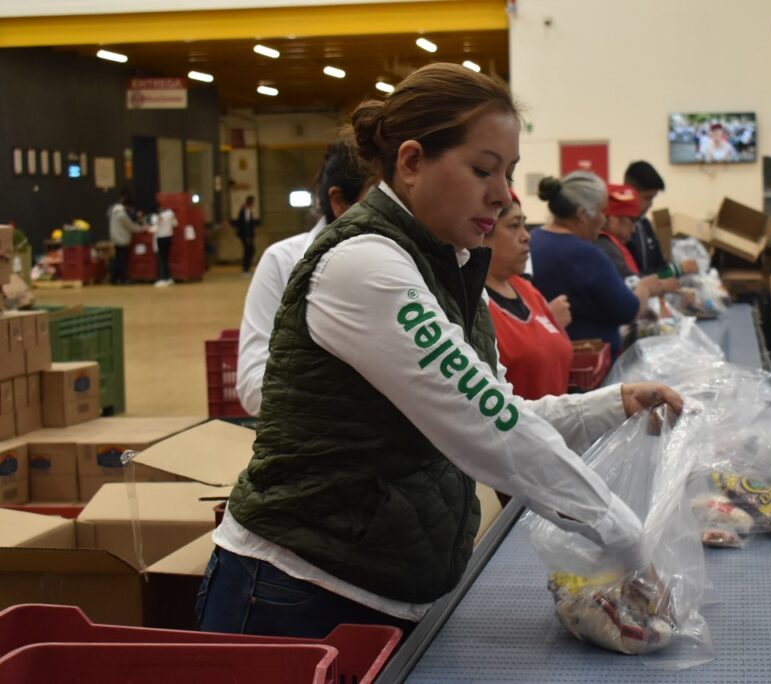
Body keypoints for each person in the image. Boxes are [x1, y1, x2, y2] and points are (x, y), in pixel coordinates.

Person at [197, 63, 682, 639]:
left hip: (380, 585)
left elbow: (500, 408)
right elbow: (487, 427)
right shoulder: (364, 266)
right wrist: (625, 537)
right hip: (296, 595)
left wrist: (611, 404)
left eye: (509, 173)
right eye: (483, 170)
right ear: (410, 163)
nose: (502, 196)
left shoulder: (449, 267)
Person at [236, 135, 371, 416]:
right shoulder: (283, 262)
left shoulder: (411, 260)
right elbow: (253, 386)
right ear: (340, 202)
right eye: (380, 201)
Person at [529, 172, 659, 356]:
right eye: (601, 212)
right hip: (588, 363)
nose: (604, 220)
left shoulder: (532, 240)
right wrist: (644, 289)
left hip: (548, 354)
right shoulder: (587, 255)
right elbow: (629, 310)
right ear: (583, 214)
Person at [484, 192, 572, 400]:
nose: (527, 236)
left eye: (524, 225)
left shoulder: (526, 289)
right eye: (514, 226)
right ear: (483, 233)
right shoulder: (473, 304)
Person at [623, 161, 670, 276]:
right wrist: (677, 270)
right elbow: (630, 277)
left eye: (652, 198)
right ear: (630, 192)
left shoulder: (644, 223)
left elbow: (660, 265)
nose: (650, 204)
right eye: (647, 198)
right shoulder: (618, 228)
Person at [107, 189, 143, 284]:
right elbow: (131, 226)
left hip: (115, 238)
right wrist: (142, 228)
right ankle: (124, 278)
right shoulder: (122, 215)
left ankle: (115, 279)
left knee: (117, 259)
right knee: (122, 261)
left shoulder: (113, 211)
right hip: (122, 239)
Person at [153, 198, 177, 287]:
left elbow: (154, 228)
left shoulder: (158, 216)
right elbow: (175, 224)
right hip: (169, 237)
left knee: (162, 259)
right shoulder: (171, 213)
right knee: (166, 258)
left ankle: (163, 278)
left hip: (160, 238)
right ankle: (169, 278)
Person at [235, 195, 258, 274]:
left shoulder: (247, 210)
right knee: (249, 251)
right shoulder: (245, 210)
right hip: (246, 235)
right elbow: (246, 224)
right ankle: (246, 269)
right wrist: (247, 236)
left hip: (247, 235)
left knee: (249, 251)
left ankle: (247, 268)